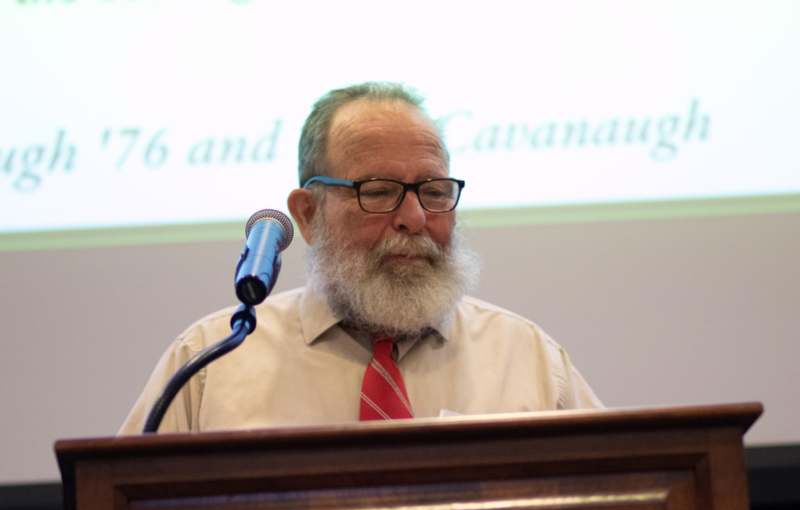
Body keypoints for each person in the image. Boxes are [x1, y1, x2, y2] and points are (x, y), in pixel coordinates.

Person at [119, 82, 601, 434]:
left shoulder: (529, 360)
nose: (414, 217)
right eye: (378, 192)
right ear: (308, 214)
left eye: (434, 191)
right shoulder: (210, 364)